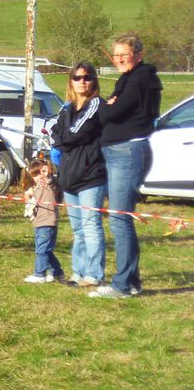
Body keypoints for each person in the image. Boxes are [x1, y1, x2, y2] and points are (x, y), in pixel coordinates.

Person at [89, 33, 162, 299]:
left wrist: (108, 106)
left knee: (120, 218)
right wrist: (108, 106)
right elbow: (108, 110)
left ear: (138, 55)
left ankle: (123, 285)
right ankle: (131, 281)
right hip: (118, 151)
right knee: (120, 217)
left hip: (127, 153)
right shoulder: (128, 78)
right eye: (116, 55)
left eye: (125, 55)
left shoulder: (140, 79)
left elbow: (109, 113)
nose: (119, 59)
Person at [51, 61, 107, 287]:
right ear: (71, 81)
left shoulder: (96, 105)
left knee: (91, 226)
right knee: (77, 229)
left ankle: (94, 275)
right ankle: (78, 272)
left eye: (87, 77)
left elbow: (76, 133)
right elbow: (54, 132)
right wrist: (63, 139)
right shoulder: (67, 108)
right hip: (69, 175)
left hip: (90, 175)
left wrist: (63, 139)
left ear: (94, 80)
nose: (82, 81)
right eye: (77, 77)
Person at [21, 158, 64, 283]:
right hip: (39, 223)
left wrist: (48, 177)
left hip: (48, 222)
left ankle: (39, 274)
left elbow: (55, 189)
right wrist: (28, 195)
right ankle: (58, 272)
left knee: (42, 250)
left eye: (43, 172)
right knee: (46, 250)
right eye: (36, 174)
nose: (40, 176)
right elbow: (29, 196)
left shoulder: (51, 184)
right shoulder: (35, 186)